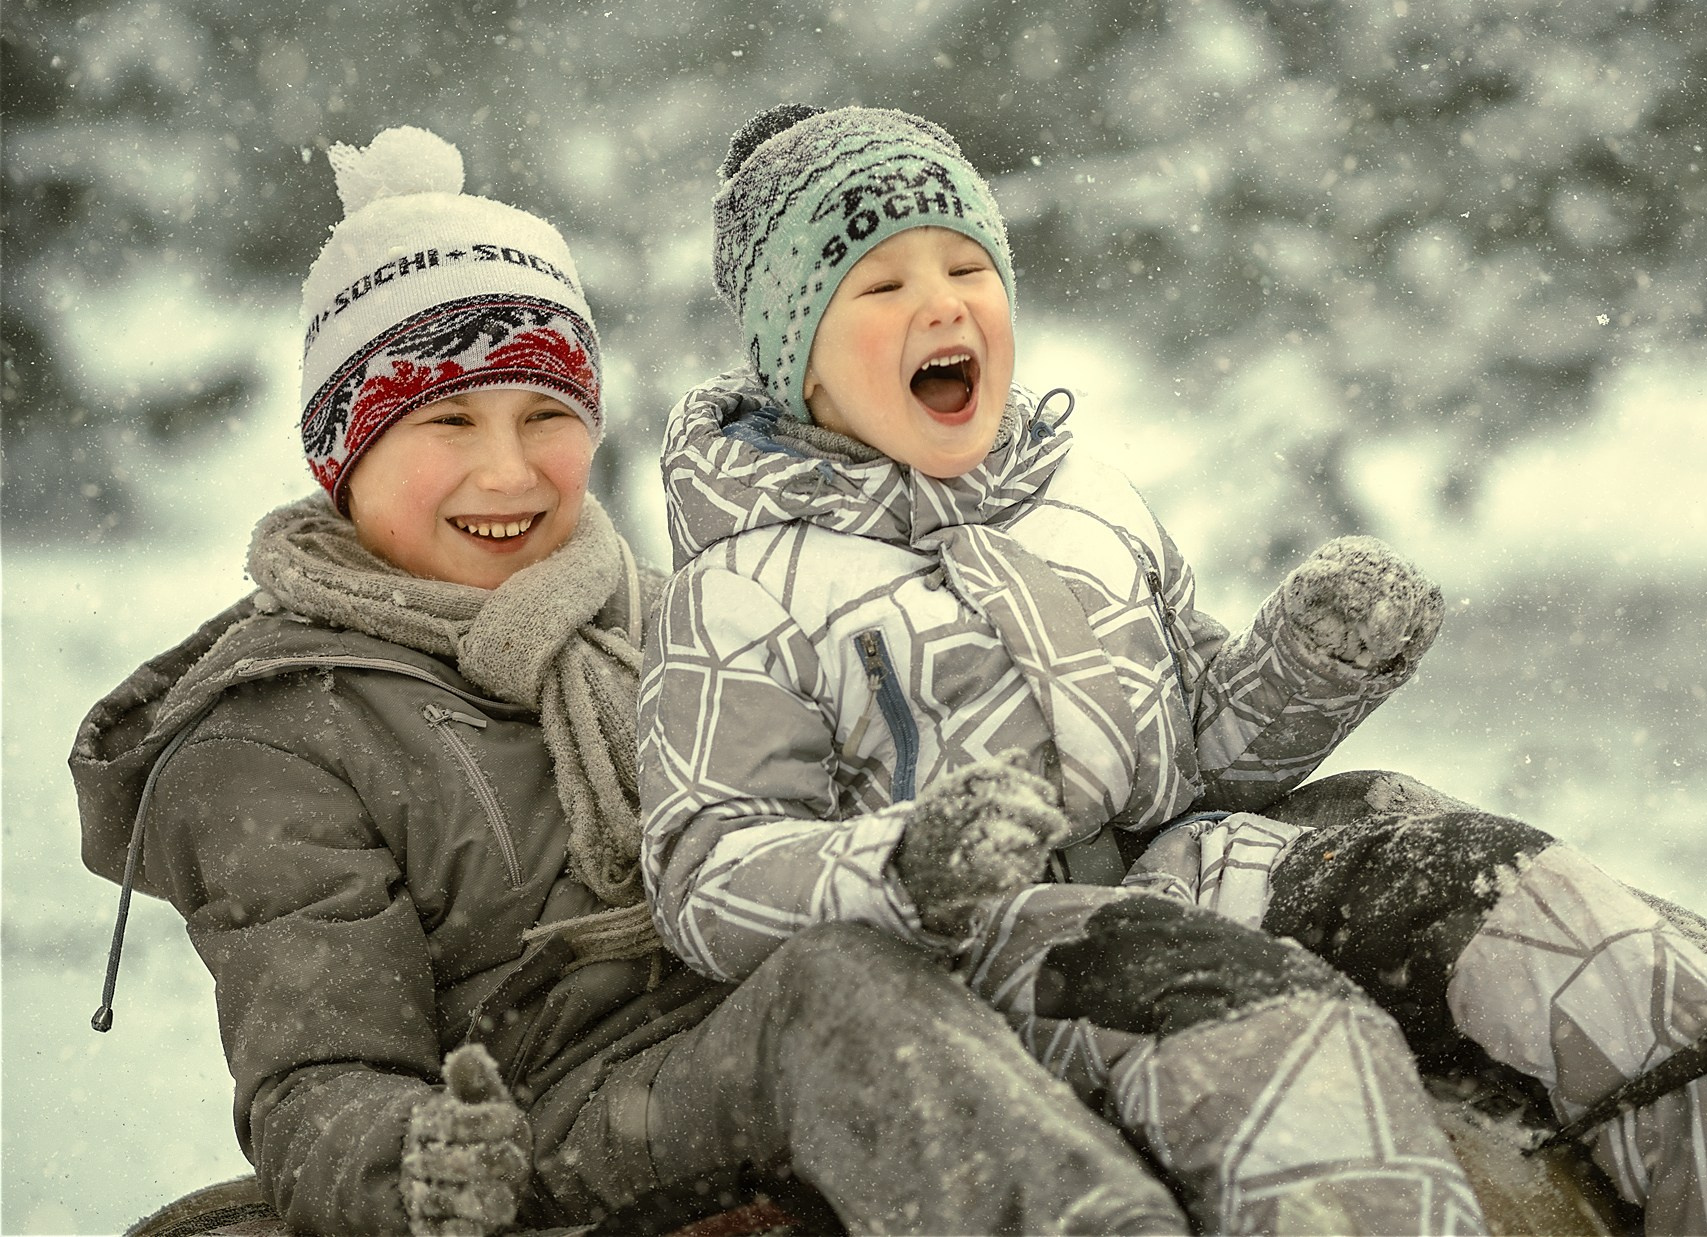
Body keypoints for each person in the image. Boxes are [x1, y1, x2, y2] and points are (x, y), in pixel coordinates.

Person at [638, 103, 1707, 1236]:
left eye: (967, 269)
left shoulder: (1080, 505)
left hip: (1201, 861)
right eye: (881, 286)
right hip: (991, 958)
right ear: (795, 354)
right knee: (1280, 1040)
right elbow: (704, 874)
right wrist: (904, 862)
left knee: (1492, 883)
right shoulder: (743, 590)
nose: (941, 305)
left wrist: (1308, 666)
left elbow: (1201, 756)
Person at [69, 126, 1192, 1237]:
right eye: (447, 421)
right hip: (564, 1119)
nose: (507, 470)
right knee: (833, 992)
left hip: (778, 1037)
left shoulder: (678, 613)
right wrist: (420, 1161)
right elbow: (317, 1077)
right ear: (343, 453)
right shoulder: (274, 735)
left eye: (546, 417)